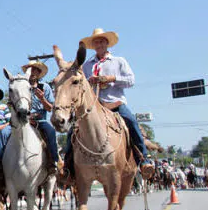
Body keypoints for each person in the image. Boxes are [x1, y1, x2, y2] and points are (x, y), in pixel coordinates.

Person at [65, 28, 154, 178]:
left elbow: (131, 80)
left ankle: (143, 160)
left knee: (131, 122)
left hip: (115, 104)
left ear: (107, 43)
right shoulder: (87, 65)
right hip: (94, 107)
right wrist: (90, 81)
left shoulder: (119, 61)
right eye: (95, 42)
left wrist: (112, 79)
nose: (98, 44)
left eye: (101, 41)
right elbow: (81, 85)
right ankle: (67, 167)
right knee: (73, 129)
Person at [22, 59, 59, 175]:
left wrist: (42, 98)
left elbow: (50, 108)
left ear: (39, 73)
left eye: (34, 70)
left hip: (40, 120)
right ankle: (2, 165)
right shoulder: (22, 85)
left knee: (51, 131)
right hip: (24, 120)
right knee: (5, 133)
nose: (32, 72)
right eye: (30, 69)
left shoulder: (45, 87)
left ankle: (53, 162)